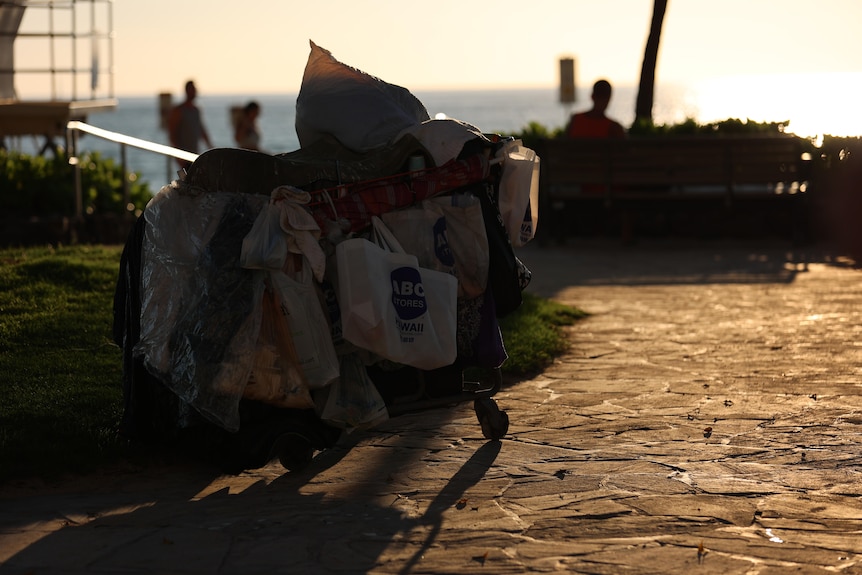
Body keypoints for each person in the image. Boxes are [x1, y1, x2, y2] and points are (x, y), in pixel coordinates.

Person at [168, 80, 213, 170]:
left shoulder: (196, 110)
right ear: (187, 91)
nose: (195, 92)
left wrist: (210, 147)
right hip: (183, 156)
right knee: (185, 179)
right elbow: (172, 133)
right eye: (192, 89)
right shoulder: (178, 110)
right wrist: (178, 155)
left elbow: (201, 130)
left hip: (194, 154)